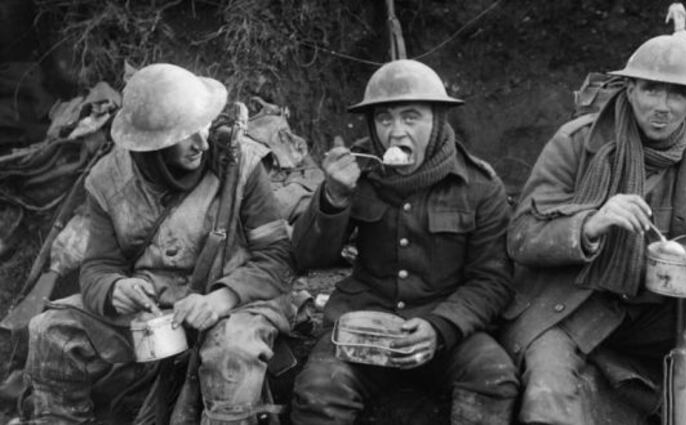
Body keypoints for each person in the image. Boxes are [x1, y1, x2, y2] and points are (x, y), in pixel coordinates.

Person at [500, 34, 686, 425]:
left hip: (656, 311)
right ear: (630, 89)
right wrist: (592, 223)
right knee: (548, 392)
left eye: (678, 95)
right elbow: (522, 237)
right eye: (651, 89)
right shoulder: (577, 143)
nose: (662, 107)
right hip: (569, 306)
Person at [24, 63, 296, 425]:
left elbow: (276, 260)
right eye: (183, 135)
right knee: (50, 331)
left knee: (231, 354)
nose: (202, 142)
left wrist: (220, 299)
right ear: (151, 145)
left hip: (235, 303)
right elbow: (97, 268)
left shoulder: (240, 163)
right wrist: (114, 288)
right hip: (153, 313)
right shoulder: (107, 180)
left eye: (202, 125)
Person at [289, 59, 519, 425]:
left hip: (445, 329)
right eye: (384, 119)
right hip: (364, 327)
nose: (395, 133)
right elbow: (306, 257)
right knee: (319, 391)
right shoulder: (356, 174)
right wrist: (333, 198)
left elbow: (492, 280)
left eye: (411, 117)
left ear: (438, 121)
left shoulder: (479, 186)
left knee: (493, 378)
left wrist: (440, 327)